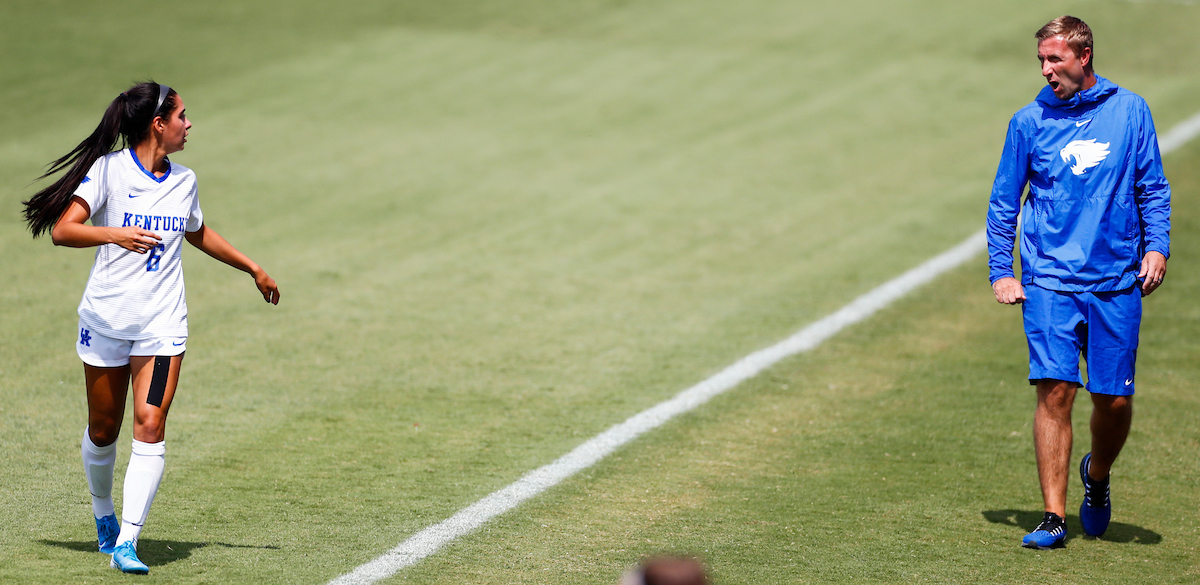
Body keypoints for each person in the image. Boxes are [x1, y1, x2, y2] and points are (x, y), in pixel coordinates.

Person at [22, 81, 280, 574]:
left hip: (162, 325)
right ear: (158, 124)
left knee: (151, 423)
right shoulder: (109, 171)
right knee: (103, 428)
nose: (189, 124)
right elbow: (62, 230)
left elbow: (197, 231)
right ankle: (103, 515)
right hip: (105, 320)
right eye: (182, 116)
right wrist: (114, 232)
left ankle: (127, 542)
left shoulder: (184, 180)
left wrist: (252, 267)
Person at [986, 16, 1170, 549]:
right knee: (1056, 391)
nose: (1046, 71)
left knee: (1112, 402)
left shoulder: (1130, 111)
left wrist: (1156, 247)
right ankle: (1052, 516)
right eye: (1041, 61)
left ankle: (1097, 474)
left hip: (1114, 280)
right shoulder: (1028, 122)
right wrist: (1003, 270)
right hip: (1048, 280)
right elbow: (1004, 201)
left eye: (1055, 60)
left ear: (1083, 57)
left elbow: (1151, 186)